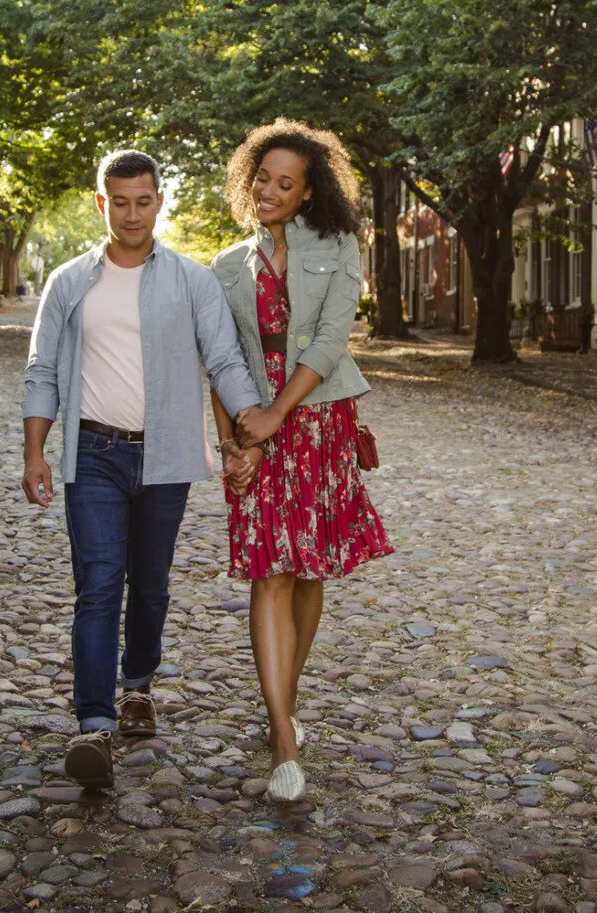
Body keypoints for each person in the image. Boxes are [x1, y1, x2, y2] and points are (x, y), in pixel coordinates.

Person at [21, 149, 267, 790]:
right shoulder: (71, 282)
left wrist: (254, 426)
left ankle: (138, 685)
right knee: (99, 585)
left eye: (143, 200)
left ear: (160, 201)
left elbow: (225, 363)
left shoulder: (191, 281)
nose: (131, 214)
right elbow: (42, 370)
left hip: (165, 456)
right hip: (93, 455)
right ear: (102, 203)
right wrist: (34, 451)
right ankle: (95, 724)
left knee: (151, 583)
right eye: (119, 201)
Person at [211, 120, 393, 803]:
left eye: (286, 183)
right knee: (269, 571)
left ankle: (281, 700)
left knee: (309, 569)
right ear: (248, 178)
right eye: (262, 178)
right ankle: (283, 738)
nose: (270, 191)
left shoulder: (339, 246)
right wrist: (233, 442)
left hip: (317, 423)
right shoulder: (226, 268)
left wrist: (275, 416)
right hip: (256, 432)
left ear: (308, 190)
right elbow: (221, 363)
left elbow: (329, 341)